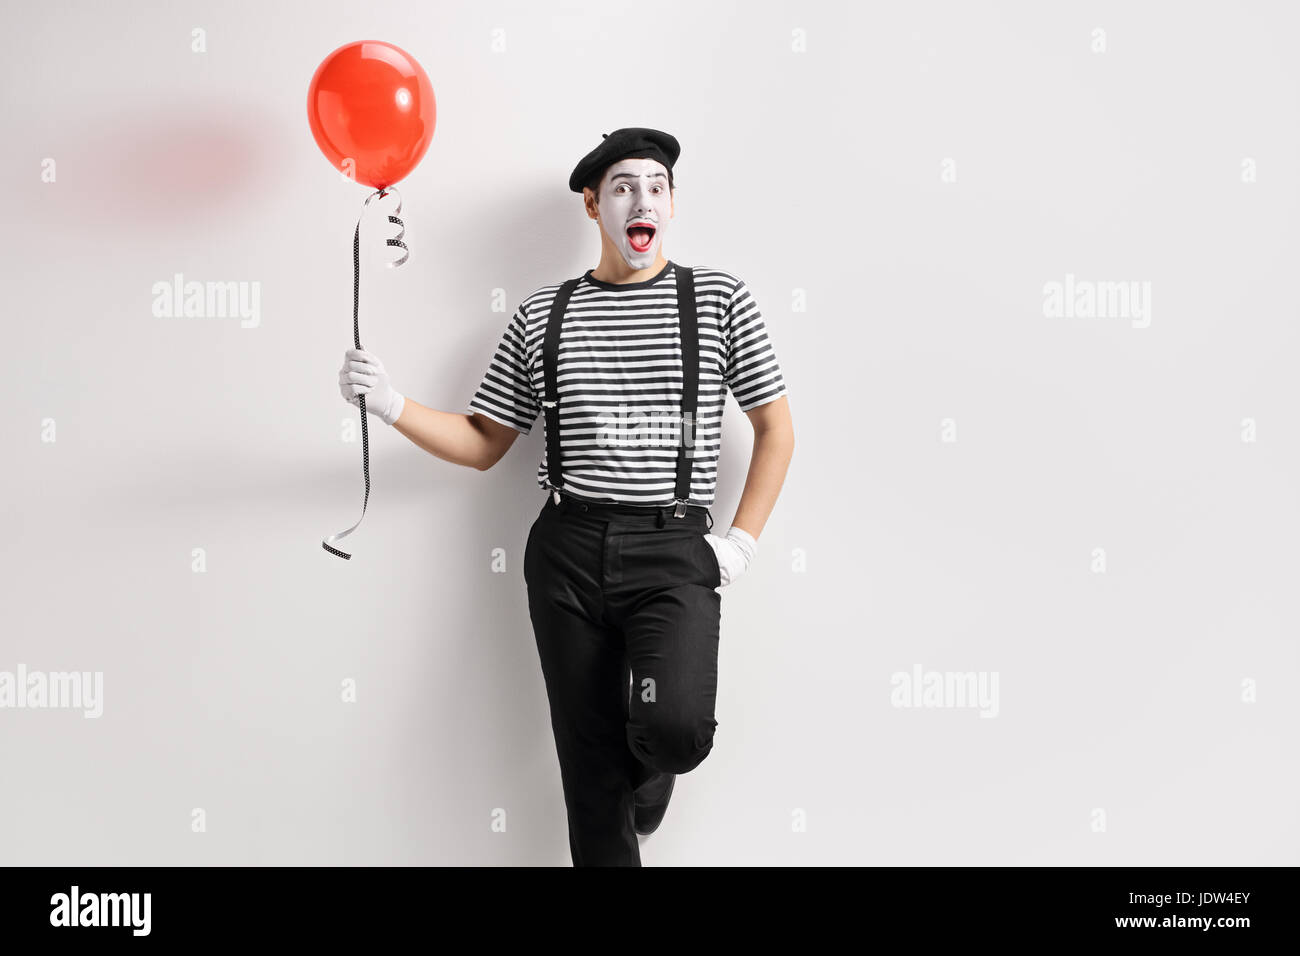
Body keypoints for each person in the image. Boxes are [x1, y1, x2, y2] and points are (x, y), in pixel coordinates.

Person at [336, 128, 794, 866]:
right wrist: (390, 403)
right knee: (589, 772)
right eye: (623, 187)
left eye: (656, 187)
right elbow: (484, 440)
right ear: (592, 205)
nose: (641, 201)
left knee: (672, 731)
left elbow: (775, 429)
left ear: (672, 203)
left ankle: (651, 778)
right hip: (568, 552)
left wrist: (739, 544)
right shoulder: (543, 315)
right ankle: (619, 798)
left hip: (674, 550)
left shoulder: (717, 299)